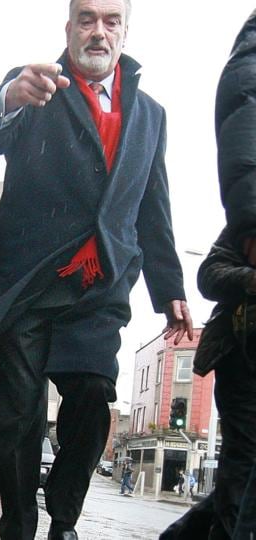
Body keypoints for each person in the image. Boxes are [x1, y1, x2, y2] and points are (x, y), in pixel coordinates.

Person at [0, 1, 194, 539]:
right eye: (87, 19)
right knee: (20, 412)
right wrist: (8, 97)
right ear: (69, 28)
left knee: (94, 396)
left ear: (124, 32)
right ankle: (18, 526)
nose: (98, 32)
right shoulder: (36, 86)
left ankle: (64, 520)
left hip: (100, 284)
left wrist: (171, 288)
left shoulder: (151, 115)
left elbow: (153, 207)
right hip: (29, 281)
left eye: (110, 21)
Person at [161, 11, 256, 539]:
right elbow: (210, 274)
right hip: (242, 357)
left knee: (238, 486)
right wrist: (250, 281)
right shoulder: (245, 225)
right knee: (244, 471)